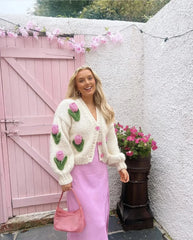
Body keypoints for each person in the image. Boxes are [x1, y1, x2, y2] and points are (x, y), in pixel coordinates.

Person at [50, 66, 129, 240]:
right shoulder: (68, 107)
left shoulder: (104, 108)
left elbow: (111, 140)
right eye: (81, 80)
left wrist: (120, 165)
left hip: (99, 172)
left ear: (95, 81)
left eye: (89, 78)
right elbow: (59, 139)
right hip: (78, 174)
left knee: (100, 219)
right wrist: (63, 175)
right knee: (85, 220)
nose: (87, 83)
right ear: (76, 85)